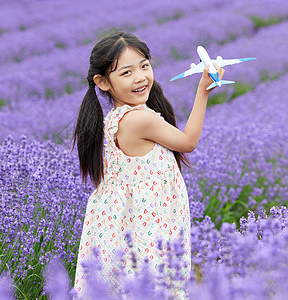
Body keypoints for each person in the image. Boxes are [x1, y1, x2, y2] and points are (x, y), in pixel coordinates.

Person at [72, 31, 224, 299]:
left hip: (121, 227)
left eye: (144, 66)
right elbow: (188, 142)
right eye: (126, 72)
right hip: (146, 229)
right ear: (103, 82)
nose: (141, 77)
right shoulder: (139, 120)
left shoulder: (113, 120)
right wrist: (203, 91)